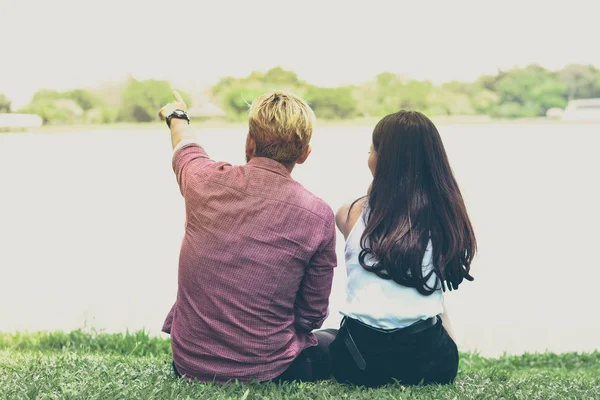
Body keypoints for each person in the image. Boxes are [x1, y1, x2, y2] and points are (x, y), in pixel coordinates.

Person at [157, 91, 337, 383]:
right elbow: (311, 315)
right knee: (338, 340)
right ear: (304, 154)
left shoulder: (203, 181)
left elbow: (186, 148)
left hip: (189, 364)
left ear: (249, 142)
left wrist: (177, 115)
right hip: (268, 370)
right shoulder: (319, 215)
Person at [330, 110, 477, 387]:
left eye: (371, 149)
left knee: (324, 337)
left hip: (357, 365)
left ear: (381, 159)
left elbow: (379, 204)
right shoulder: (446, 218)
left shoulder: (348, 214)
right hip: (430, 365)